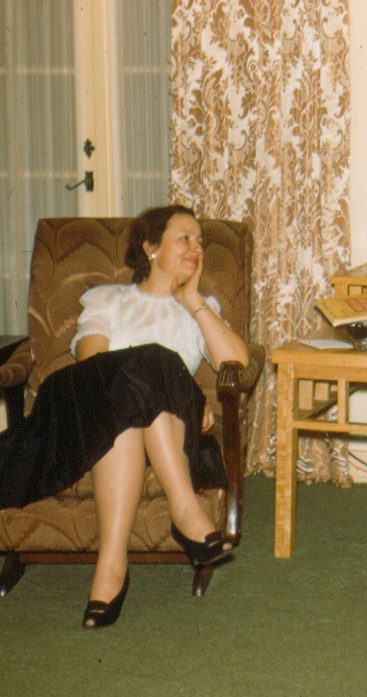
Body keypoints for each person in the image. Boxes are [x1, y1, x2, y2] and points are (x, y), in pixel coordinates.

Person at [0, 205, 249, 629]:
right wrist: (183, 391)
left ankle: (110, 570)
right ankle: (186, 510)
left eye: (200, 242)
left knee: (140, 411)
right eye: (184, 238)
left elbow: (238, 362)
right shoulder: (108, 299)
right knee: (153, 365)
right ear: (150, 248)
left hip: (154, 428)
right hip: (82, 406)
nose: (196, 248)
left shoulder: (199, 308)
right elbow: (94, 367)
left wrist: (192, 302)